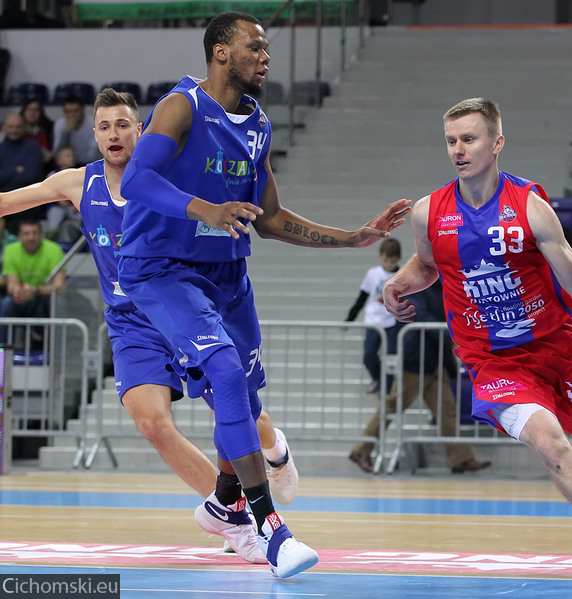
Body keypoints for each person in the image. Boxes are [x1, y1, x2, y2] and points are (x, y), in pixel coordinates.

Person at [116, 12, 411, 579]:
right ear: (221, 52)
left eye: (266, 48)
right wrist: (206, 209)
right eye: (255, 47)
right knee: (225, 374)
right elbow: (137, 180)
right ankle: (270, 528)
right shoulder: (182, 106)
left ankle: (224, 501)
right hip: (162, 269)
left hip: (227, 273)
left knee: (245, 403)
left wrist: (352, 237)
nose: (265, 57)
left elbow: (270, 218)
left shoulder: (257, 124)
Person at [383, 96, 572, 588]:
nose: (458, 149)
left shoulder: (531, 208)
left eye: (469, 138)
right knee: (549, 444)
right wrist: (399, 282)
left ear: (497, 142)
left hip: (558, 347)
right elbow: (429, 265)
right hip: (492, 361)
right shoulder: (429, 212)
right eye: (451, 141)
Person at [0, 88, 301, 566]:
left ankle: (275, 449)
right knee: (150, 422)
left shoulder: (172, 175)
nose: (114, 134)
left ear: (141, 130)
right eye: (104, 127)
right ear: (94, 135)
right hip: (131, 322)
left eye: (123, 124)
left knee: (240, 409)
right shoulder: (78, 182)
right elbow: (6, 202)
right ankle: (238, 522)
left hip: (180, 305)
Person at [348, 282, 492, 475]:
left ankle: (461, 458)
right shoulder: (416, 286)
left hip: (436, 361)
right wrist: (452, 333)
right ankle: (361, 450)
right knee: (392, 405)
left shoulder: (444, 287)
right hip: (415, 361)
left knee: (447, 410)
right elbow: (420, 315)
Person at [345, 238, 402, 394]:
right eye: (386, 260)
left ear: (398, 258)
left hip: (392, 323)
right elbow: (361, 298)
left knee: (391, 358)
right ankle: (378, 378)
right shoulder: (372, 274)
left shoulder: (403, 275)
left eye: (392, 261)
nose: (389, 264)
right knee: (369, 355)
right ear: (380, 256)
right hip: (373, 322)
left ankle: (388, 390)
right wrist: (349, 319)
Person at [0, 218, 64, 347]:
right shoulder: (11, 250)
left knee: (57, 303)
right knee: (7, 304)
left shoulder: (54, 249)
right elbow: (11, 286)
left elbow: (59, 286)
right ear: (19, 236)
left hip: (43, 299)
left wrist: (34, 290)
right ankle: (2, 353)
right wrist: (19, 291)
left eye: (35, 233)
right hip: (20, 299)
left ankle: (54, 352)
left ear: (41, 234)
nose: (31, 237)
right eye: (26, 233)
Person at [0, 113, 45, 193]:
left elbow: (31, 177)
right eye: (11, 127)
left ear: (24, 127)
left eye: (18, 127)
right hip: (3, 196)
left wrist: (6, 174)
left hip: (29, 195)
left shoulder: (33, 147)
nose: (14, 130)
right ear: (3, 128)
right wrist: (15, 169)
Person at [52, 95, 101, 166]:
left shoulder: (93, 123)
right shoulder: (60, 125)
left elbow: (94, 153)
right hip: (69, 165)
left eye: (76, 111)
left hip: (91, 163)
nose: (72, 115)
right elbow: (57, 153)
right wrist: (66, 132)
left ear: (83, 110)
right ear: (64, 112)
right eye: (69, 112)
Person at [19, 97, 54, 165]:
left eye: (36, 109)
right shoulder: (17, 129)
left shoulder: (49, 129)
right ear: (23, 112)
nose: (32, 113)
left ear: (41, 112)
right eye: (29, 109)